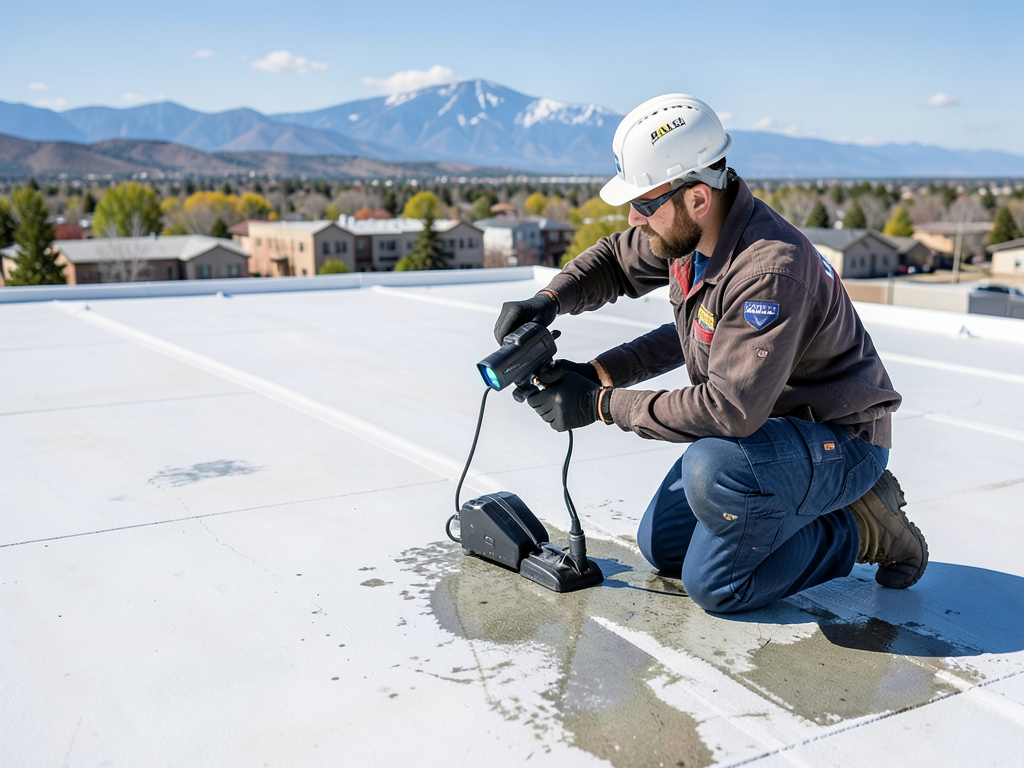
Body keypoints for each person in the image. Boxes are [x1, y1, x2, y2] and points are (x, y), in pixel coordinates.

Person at [494, 93, 928, 614]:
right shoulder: (690, 235)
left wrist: (600, 404)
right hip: (770, 435)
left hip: (839, 440)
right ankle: (794, 507)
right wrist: (551, 303)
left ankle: (860, 526)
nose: (634, 218)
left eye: (645, 204)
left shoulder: (768, 271)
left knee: (717, 565)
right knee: (664, 548)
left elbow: (727, 410)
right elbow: (617, 264)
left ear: (697, 197)